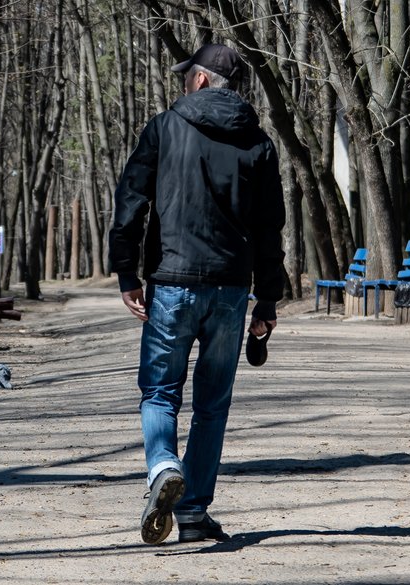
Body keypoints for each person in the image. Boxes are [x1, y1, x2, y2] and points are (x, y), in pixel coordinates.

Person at [108, 43, 285, 545]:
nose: (185, 82)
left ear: (202, 81)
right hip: (231, 292)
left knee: (160, 392)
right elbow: (271, 227)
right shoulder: (259, 144)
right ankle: (191, 512)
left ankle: (163, 464)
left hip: (171, 283)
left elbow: (131, 203)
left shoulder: (164, 128)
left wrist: (127, 273)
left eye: (190, 76)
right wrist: (267, 300)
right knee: (212, 405)